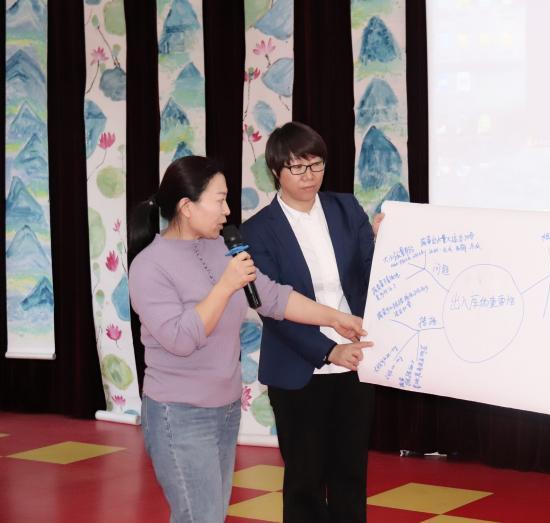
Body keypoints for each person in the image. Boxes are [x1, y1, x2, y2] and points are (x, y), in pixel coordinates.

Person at [127, 155, 371, 523]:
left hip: (224, 408)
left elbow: (273, 297)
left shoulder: (220, 247)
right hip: (178, 413)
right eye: (219, 200)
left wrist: (337, 318)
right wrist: (226, 286)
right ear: (187, 207)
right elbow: (180, 339)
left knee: (212, 514)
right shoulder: (149, 266)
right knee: (199, 517)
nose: (228, 210)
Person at [242, 122, 381, 522]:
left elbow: (370, 275)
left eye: (316, 164)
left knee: (350, 473)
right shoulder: (258, 230)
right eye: (297, 167)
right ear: (276, 171)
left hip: (355, 362)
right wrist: (328, 350)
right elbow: (273, 309)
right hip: (297, 368)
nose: (309, 175)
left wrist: (387, 242)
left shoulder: (346, 208)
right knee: (305, 479)